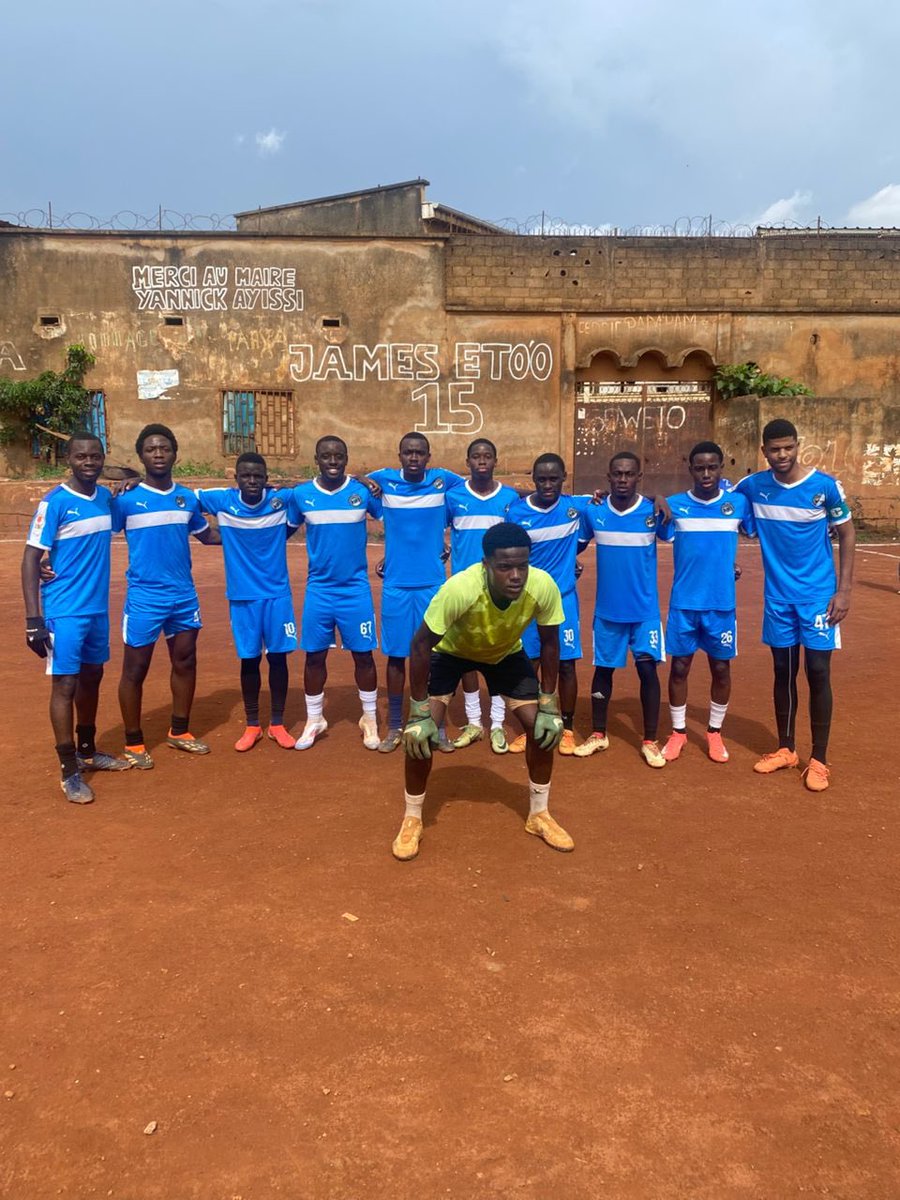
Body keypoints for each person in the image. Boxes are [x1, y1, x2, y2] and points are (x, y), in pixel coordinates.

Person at [391, 522, 573, 861]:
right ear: (486, 564)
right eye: (505, 567)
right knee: (419, 736)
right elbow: (419, 647)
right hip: (451, 652)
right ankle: (412, 817)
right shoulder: (459, 589)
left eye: (522, 565)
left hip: (504, 653)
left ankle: (539, 814)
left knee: (542, 729)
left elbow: (550, 644)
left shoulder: (543, 585)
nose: (516, 575)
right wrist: (417, 710)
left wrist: (549, 704)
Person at [733, 418, 854, 791]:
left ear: (797, 446)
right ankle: (786, 749)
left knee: (818, 672)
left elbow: (848, 534)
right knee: (782, 672)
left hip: (819, 597)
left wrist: (844, 589)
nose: (782, 455)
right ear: (763, 451)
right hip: (778, 599)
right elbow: (719, 508)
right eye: (774, 449)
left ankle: (819, 759)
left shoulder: (824, 487)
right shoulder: (752, 487)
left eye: (788, 447)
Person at [22, 431, 130, 803]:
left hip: (97, 609)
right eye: (81, 457)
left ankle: (87, 750)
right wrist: (34, 619)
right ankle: (69, 771)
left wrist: (128, 478)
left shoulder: (104, 498)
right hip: (64, 611)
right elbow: (31, 559)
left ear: (103, 459)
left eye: (95, 456)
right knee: (64, 686)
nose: (89, 463)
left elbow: (127, 493)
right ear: (68, 460)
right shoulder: (54, 503)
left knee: (93, 677)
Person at [112, 424, 219, 768]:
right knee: (135, 668)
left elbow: (208, 537)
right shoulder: (125, 500)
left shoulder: (186, 498)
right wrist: (50, 559)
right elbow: (95, 528)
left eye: (164, 448)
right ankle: (134, 742)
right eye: (151, 449)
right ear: (141, 455)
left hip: (183, 595)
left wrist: (258, 529)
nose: (158, 454)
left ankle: (179, 731)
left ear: (175, 453)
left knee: (185, 660)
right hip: (144, 597)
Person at [658, 441, 754, 765]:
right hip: (684, 604)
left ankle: (714, 731)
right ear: (691, 469)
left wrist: (731, 565)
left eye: (712, 467)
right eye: (699, 468)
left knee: (721, 668)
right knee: (679, 668)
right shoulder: (673, 506)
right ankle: (678, 733)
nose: (706, 473)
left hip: (721, 605)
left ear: (721, 468)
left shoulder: (738, 504)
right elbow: (651, 524)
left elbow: (755, 528)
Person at [367, 433, 464, 752]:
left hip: (433, 585)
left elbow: (482, 486)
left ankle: (435, 724)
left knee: (436, 656)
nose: (413, 458)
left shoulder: (443, 480)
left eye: (419, 453)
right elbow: (353, 482)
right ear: (399, 455)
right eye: (407, 452)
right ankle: (396, 725)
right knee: (397, 656)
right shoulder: (383, 480)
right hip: (395, 584)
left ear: (428, 456)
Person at [196, 454, 299, 751]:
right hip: (242, 597)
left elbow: (309, 491)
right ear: (236, 478)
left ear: (267, 477)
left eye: (258, 476)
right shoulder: (220, 500)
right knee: (250, 659)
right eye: (245, 476)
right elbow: (181, 498)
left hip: (277, 595)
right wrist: (208, 535)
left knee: (278, 658)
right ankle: (253, 725)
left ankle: (277, 723)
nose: (252, 481)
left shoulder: (281, 500)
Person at [574, 451, 667, 767]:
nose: (623, 479)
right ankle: (599, 734)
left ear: (639, 477)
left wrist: (661, 498)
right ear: (608, 476)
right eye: (617, 474)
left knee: (647, 671)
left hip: (644, 612)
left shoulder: (653, 511)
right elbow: (574, 544)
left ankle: (650, 740)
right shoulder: (594, 512)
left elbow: (680, 527)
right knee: (603, 670)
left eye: (629, 474)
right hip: (608, 612)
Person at [290, 436, 383, 750]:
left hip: (355, 590)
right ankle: (315, 718)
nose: (333, 461)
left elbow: (393, 518)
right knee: (314, 656)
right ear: (316, 459)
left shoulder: (361, 492)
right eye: (326, 456)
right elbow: (280, 526)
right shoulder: (302, 495)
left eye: (339, 456)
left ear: (346, 458)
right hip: (319, 590)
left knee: (364, 656)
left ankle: (369, 717)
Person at [506, 454, 592, 755]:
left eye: (553, 479)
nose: (547, 485)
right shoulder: (517, 513)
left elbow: (610, 504)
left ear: (563, 478)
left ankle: (566, 728)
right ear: (533, 479)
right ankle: (530, 728)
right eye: (541, 479)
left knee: (566, 665)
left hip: (563, 600)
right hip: (527, 602)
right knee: (529, 665)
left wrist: (658, 498)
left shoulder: (575, 508)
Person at [444, 438, 520, 753]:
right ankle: (475, 721)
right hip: (466, 587)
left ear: (496, 460)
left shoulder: (511, 498)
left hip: (499, 589)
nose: (482, 461)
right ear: (468, 461)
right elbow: (434, 528)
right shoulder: (453, 496)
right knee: (467, 657)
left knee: (499, 654)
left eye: (488, 455)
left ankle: (498, 724)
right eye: (476, 456)